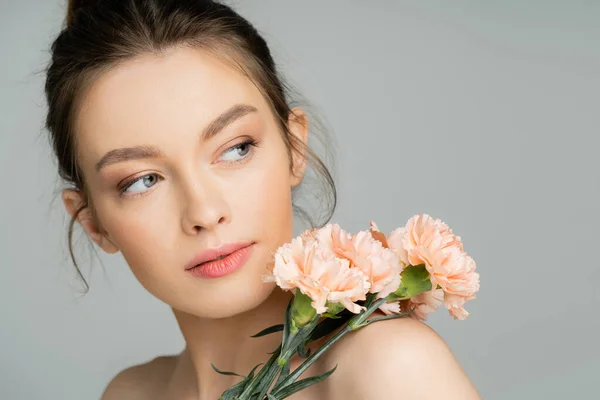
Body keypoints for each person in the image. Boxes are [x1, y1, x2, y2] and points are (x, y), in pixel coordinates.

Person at [44, 0, 482, 398]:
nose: (205, 212)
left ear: (294, 148)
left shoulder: (388, 367)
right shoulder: (129, 394)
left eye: (236, 149)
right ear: (93, 221)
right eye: (142, 180)